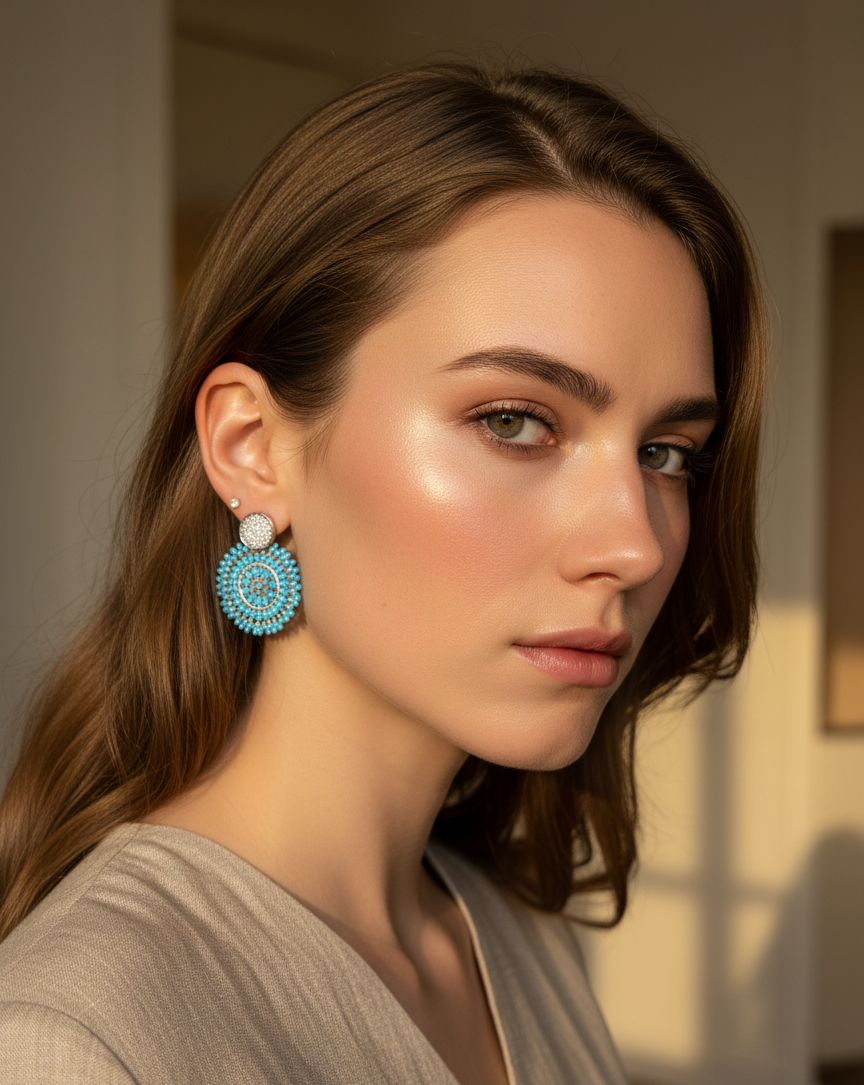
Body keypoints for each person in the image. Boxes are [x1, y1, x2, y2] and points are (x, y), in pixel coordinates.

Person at [0, 63, 765, 1084]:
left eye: (667, 451)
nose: (634, 542)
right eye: (515, 421)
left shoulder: (515, 937)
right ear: (252, 446)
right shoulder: (75, 1037)